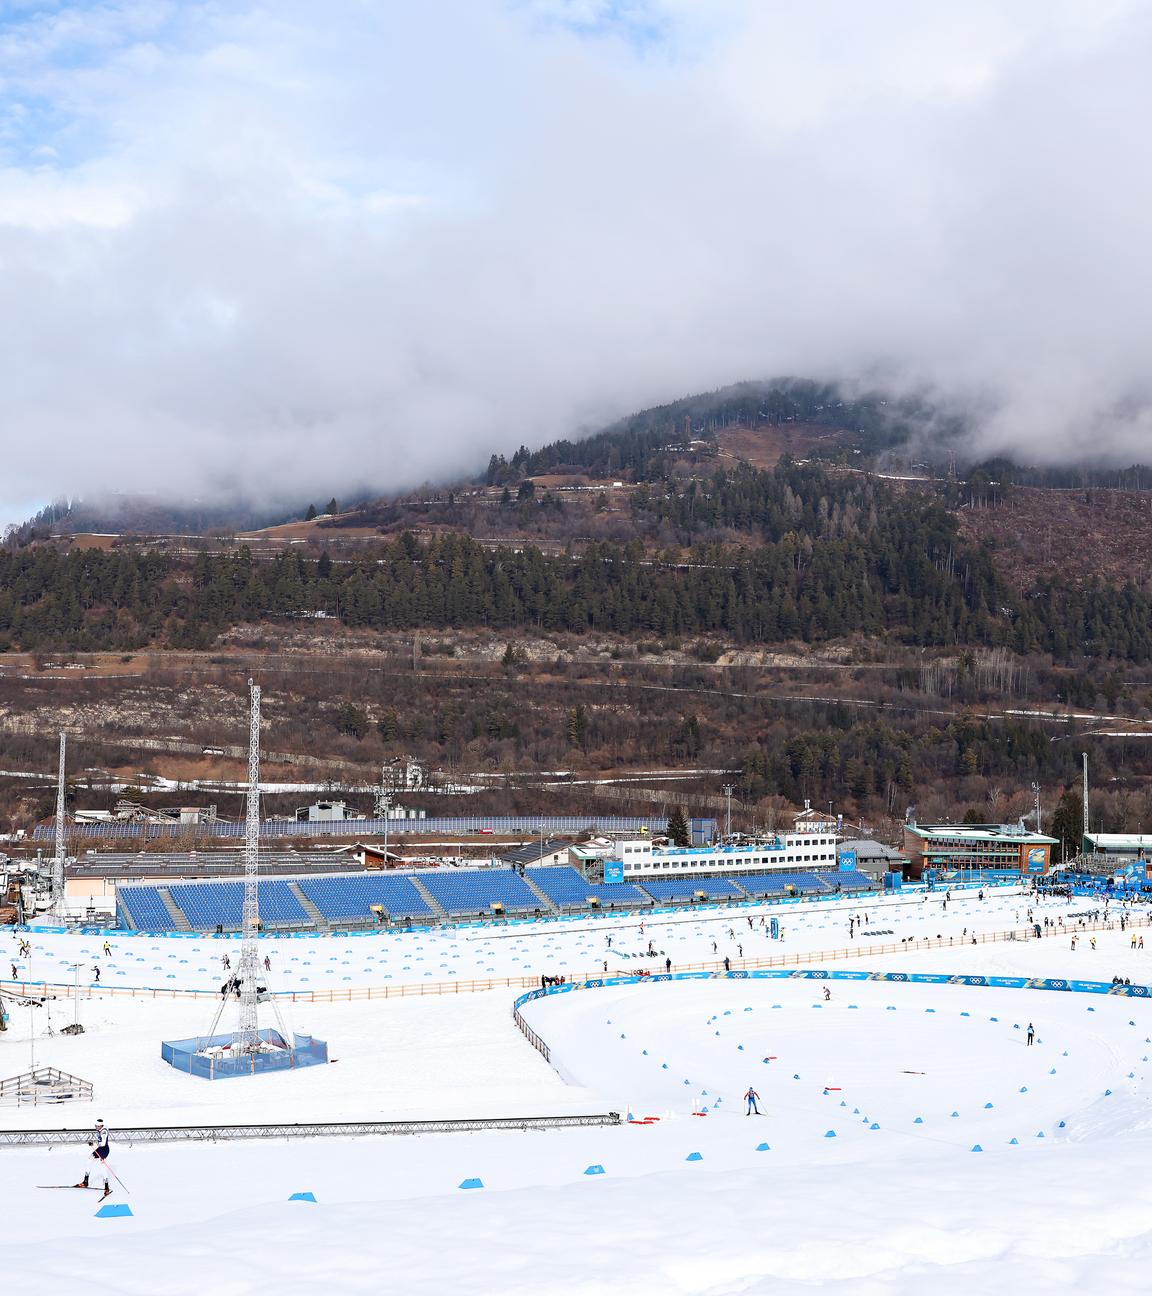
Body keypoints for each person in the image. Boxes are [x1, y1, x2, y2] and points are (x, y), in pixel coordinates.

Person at [78, 1119, 111, 1197]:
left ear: (102, 1126)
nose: (96, 1128)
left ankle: (106, 1187)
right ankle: (85, 1181)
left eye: (98, 1126)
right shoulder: (100, 1129)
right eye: (95, 1126)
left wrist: (93, 1143)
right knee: (88, 1161)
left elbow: (102, 1144)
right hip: (99, 1149)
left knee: (102, 1167)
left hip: (104, 1150)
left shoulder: (103, 1132)